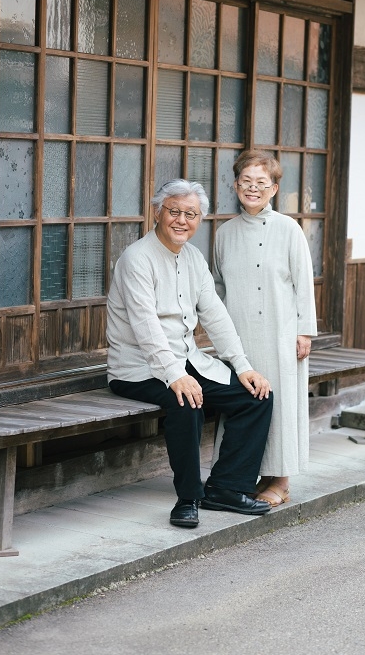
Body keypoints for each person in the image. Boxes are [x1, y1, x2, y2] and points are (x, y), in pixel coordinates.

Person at [106, 178, 274, 529]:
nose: (182, 220)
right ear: (157, 212)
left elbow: (214, 313)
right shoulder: (137, 259)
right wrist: (176, 376)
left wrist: (242, 366)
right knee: (186, 402)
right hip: (137, 370)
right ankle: (188, 498)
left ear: (200, 220)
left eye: (191, 214)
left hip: (185, 360)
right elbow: (145, 327)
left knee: (255, 396)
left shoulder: (194, 258)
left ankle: (226, 488)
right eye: (175, 211)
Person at [213, 150, 317, 507]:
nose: (253, 188)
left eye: (261, 183)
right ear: (235, 184)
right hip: (241, 337)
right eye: (246, 181)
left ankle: (281, 480)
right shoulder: (224, 234)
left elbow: (304, 283)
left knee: (281, 404)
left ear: (274, 188)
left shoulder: (289, 230)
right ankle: (244, 475)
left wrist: (304, 331)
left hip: (280, 332)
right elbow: (218, 289)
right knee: (246, 402)